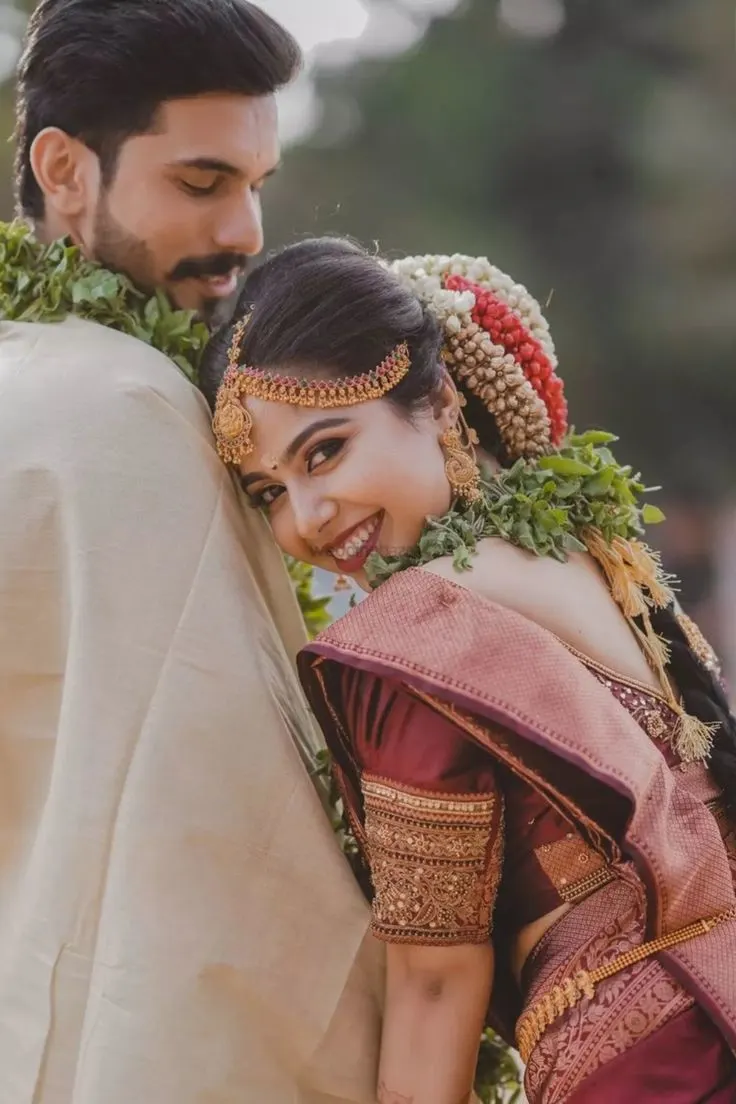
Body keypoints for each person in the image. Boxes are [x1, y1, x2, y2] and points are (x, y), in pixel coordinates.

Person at [201, 237, 736, 1104]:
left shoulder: (410, 644)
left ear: (441, 399)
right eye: (269, 492)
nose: (308, 516)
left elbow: (435, 985)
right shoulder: (585, 546)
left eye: (324, 451)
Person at [0, 7, 382, 1103]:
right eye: (203, 182)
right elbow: (237, 835)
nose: (248, 230)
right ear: (65, 170)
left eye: (256, 184)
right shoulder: (131, 407)